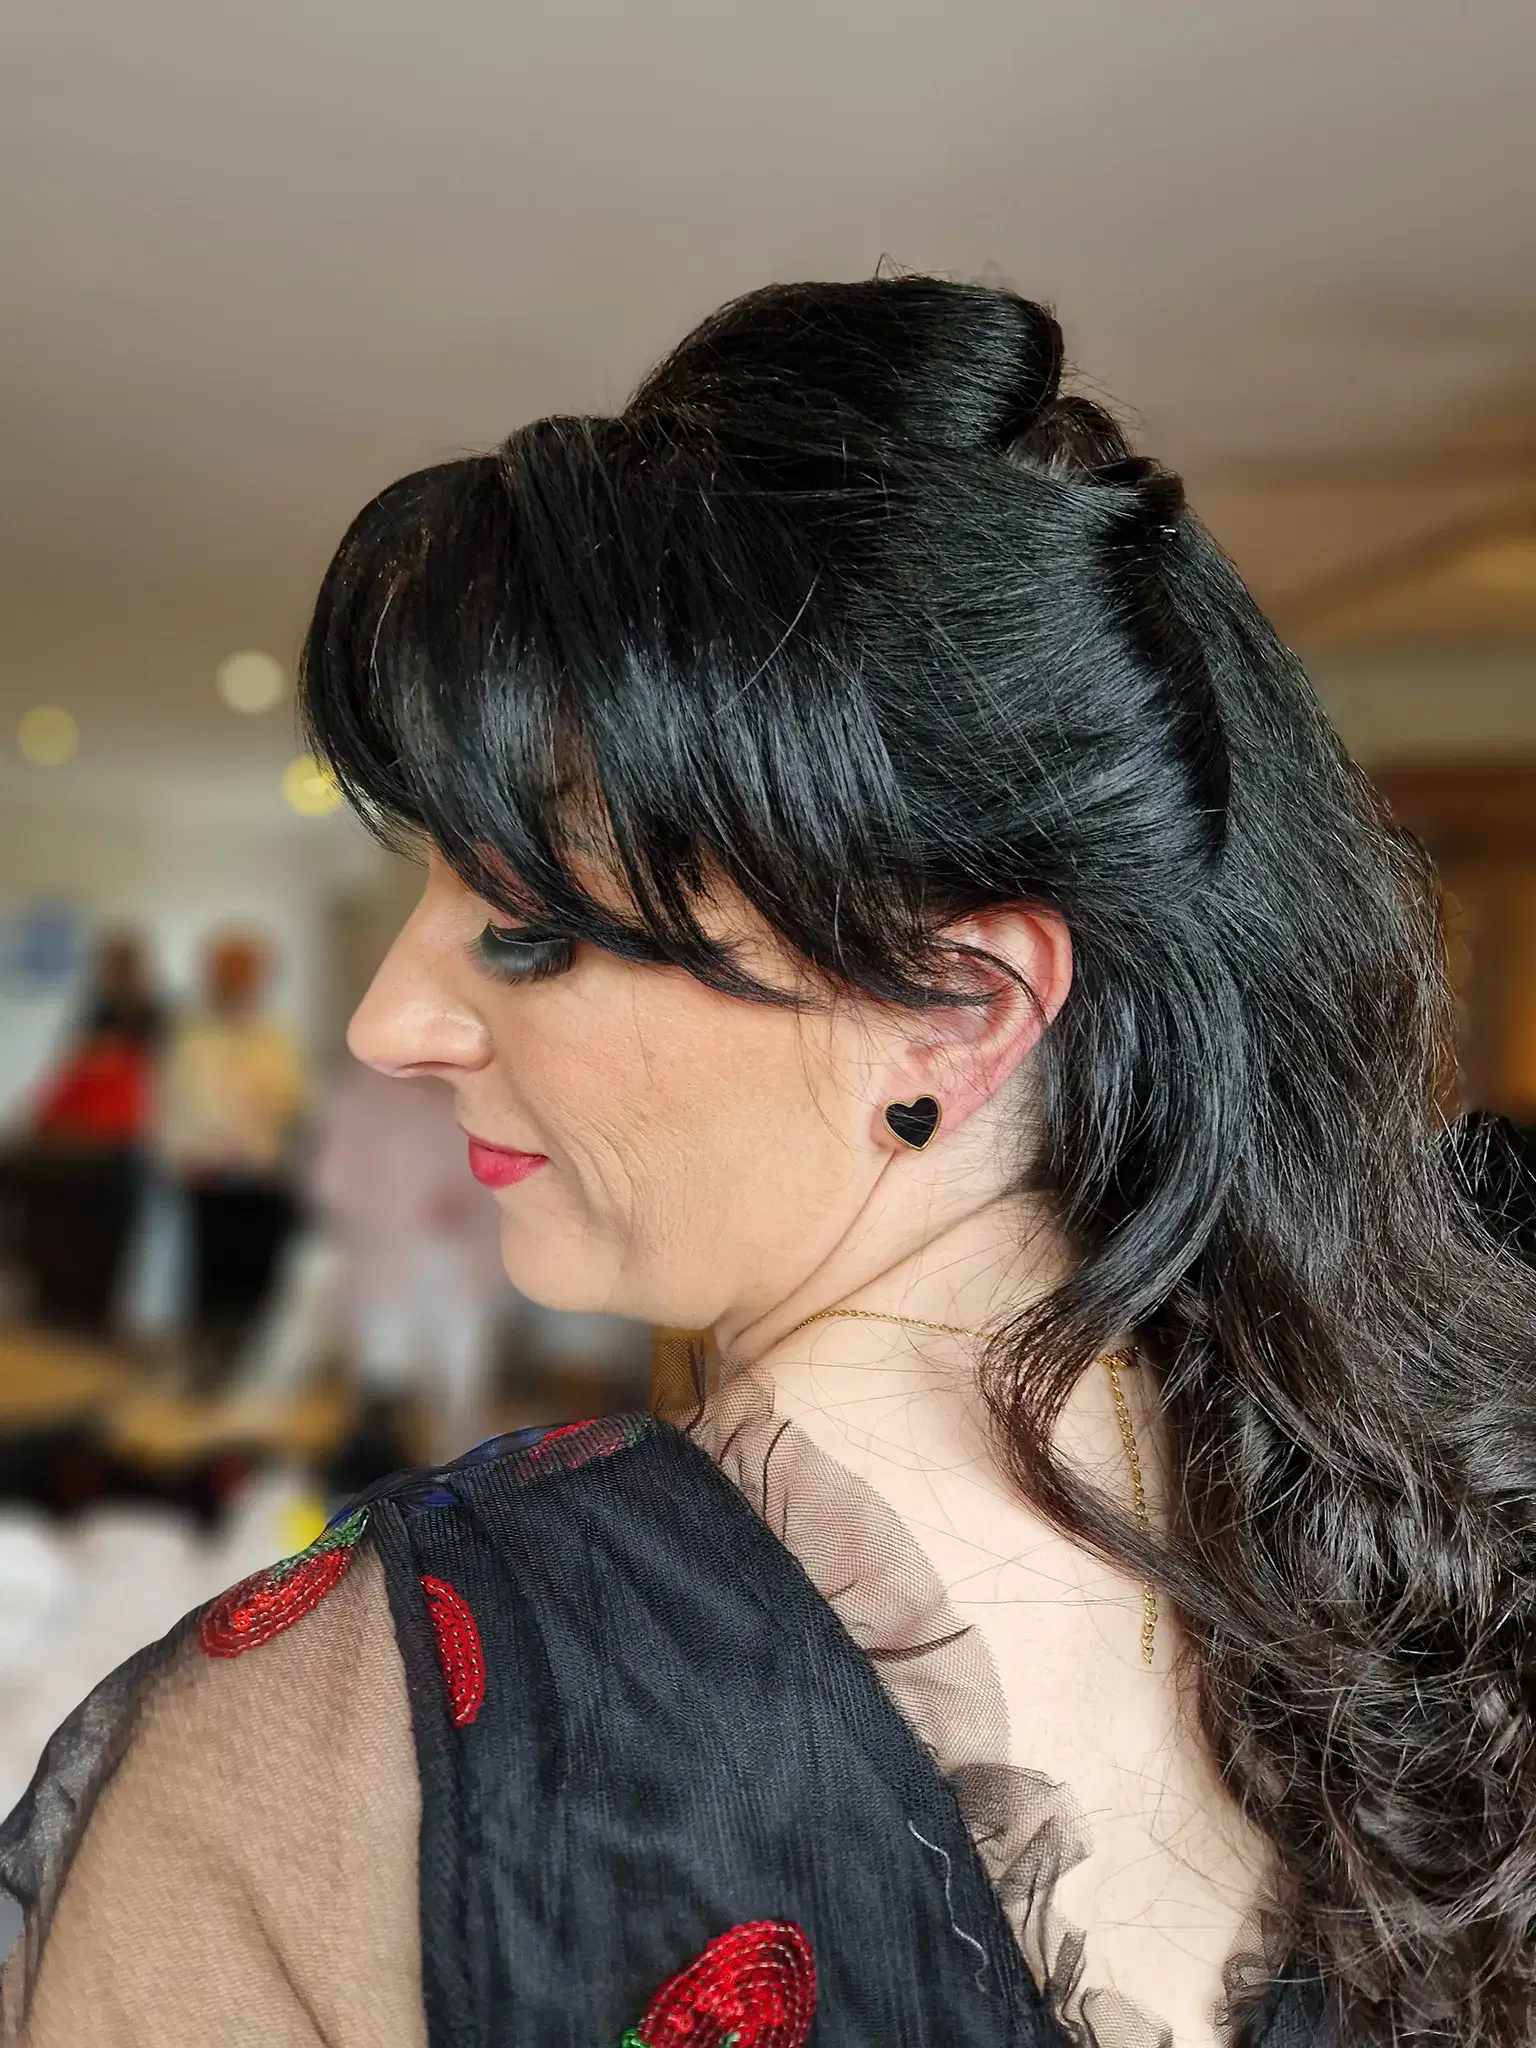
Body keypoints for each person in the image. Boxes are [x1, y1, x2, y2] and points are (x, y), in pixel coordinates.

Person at [3, 275, 1535, 2048]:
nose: (389, 1021)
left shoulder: (335, 1754)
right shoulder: (1426, 1565)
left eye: (529, 923)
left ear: (951, 1010)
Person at [309, 1058, 509, 1467]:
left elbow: (500, 1179)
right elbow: (333, 1183)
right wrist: (400, 1210)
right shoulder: (364, 1095)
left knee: (461, 1383)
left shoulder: (474, 1092)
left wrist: (466, 1204)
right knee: (389, 1382)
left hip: (461, 1262)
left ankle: (457, 1476)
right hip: (388, 1262)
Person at [161, 931, 306, 1389]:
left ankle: (255, 1374)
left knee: (261, 1281)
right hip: (208, 1179)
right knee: (210, 1280)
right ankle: (206, 1371)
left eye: (247, 971)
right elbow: (168, 1108)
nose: (239, 981)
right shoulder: (189, 1036)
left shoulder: (276, 1036)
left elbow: (296, 1103)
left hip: (265, 1178)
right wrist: (186, 1158)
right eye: (229, 971)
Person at [5, 930, 166, 1336]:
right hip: (72, 1149)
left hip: (119, 1150)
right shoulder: (95, 1012)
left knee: (106, 1237)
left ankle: (92, 1311)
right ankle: (51, 1298)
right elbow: (70, 1078)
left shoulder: (159, 1018)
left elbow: (148, 1092)